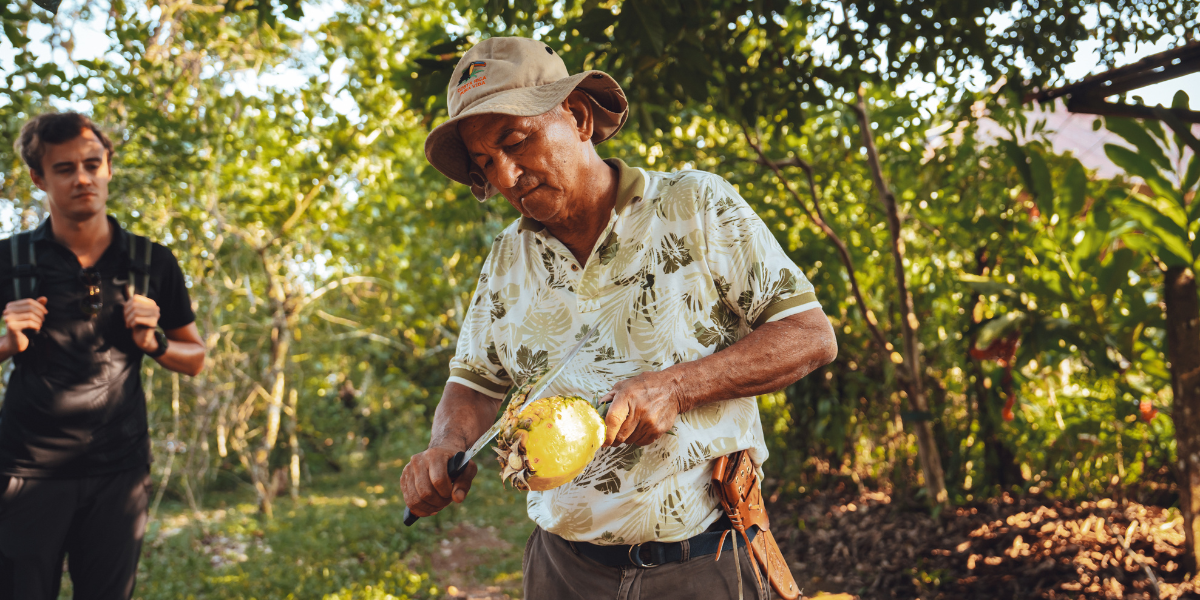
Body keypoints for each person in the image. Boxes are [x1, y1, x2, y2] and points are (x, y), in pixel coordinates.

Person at [401, 37, 837, 599]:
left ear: (577, 116)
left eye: (516, 142)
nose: (505, 177)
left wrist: (678, 387)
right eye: (486, 163)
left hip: (701, 560)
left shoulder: (694, 206)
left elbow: (810, 335)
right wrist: (445, 446)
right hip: (562, 569)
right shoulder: (508, 258)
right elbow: (474, 384)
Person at [0, 112, 206, 599]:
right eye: (65, 168)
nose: (82, 178)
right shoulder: (9, 261)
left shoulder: (153, 261)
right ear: (39, 177)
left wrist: (155, 343)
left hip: (119, 471)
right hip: (26, 471)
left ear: (109, 166)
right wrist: (6, 342)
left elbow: (195, 357)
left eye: (93, 164)